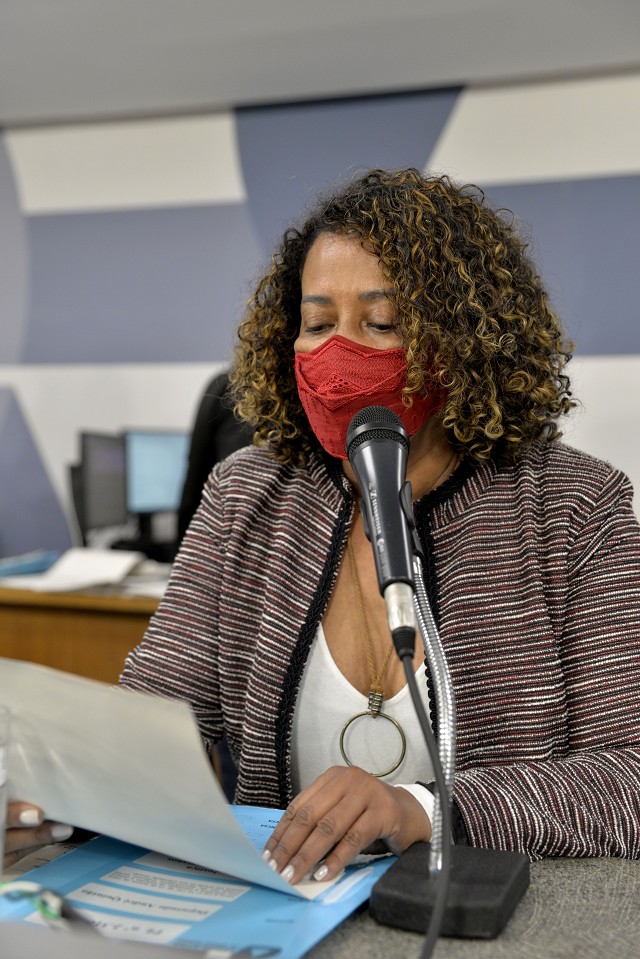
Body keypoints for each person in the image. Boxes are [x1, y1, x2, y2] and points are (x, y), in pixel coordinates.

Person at [5, 169, 640, 883]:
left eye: (382, 323)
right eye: (316, 324)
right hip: (287, 912)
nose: (339, 355)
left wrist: (422, 809)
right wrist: (55, 795)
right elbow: (153, 722)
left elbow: (630, 779)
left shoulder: (573, 506)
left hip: (491, 915)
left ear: (464, 341)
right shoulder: (246, 494)